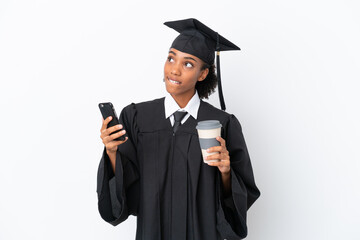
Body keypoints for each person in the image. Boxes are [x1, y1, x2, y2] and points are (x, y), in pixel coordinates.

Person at [97, 18, 260, 240]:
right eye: (171, 58)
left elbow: (240, 199)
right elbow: (126, 188)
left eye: (188, 64)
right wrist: (112, 152)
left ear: (203, 74)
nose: (174, 70)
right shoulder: (137, 117)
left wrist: (225, 172)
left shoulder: (223, 124)